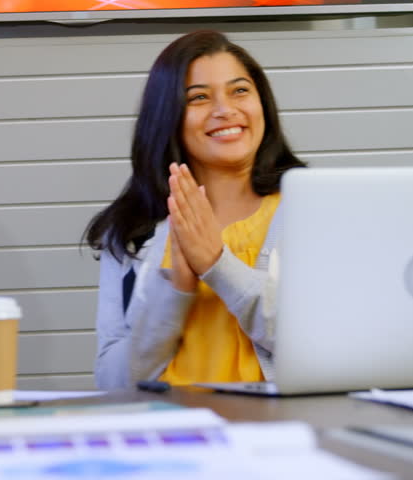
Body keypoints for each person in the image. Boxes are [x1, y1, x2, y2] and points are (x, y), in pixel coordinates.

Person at [85, 30, 306, 390]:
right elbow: (113, 383)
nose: (225, 110)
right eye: (199, 97)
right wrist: (175, 288)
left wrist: (217, 266)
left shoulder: (311, 210)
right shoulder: (131, 231)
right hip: (170, 433)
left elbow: (325, 343)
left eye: (240, 90)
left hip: (279, 433)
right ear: (167, 117)